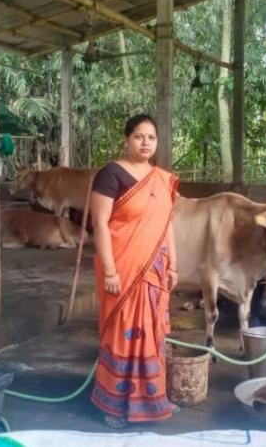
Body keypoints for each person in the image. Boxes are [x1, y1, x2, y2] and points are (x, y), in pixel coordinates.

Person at [89, 114, 180, 428]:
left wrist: (173, 265)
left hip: (154, 271)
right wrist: (111, 271)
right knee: (123, 332)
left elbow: (165, 224)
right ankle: (113, 405)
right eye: (139, 136)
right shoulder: (111, 174)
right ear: (127, 139)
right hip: (122, 268)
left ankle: (153, 398)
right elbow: (99, 223)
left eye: (151, 137)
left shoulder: (162, 179)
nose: (145, 143)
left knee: (153, 334)